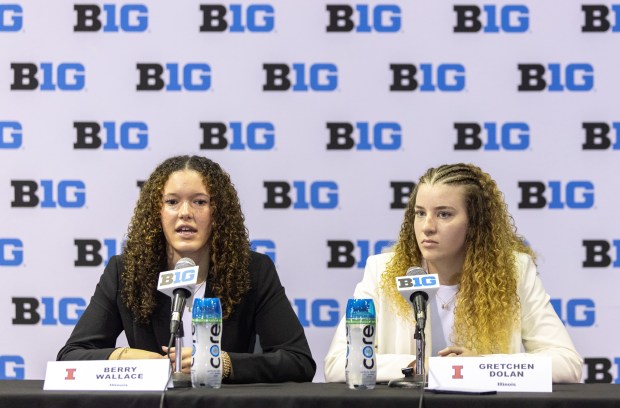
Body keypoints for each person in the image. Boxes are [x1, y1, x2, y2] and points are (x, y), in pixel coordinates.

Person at [57, 155, 316, 383]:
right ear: (156, 212)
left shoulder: (252, 271)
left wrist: (222, 362)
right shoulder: (125, 271)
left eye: (199, 202)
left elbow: (298, 361)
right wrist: (128, 358)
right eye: (172, 202)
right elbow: (71, 356)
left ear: (218, 213)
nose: (185, 213)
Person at [324, 163, 582, 384]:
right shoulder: (381, 271)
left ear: (475, 224)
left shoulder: (514, 272)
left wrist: (481, 365)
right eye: (420, 213)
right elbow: (338, 363)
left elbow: (567, 364)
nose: (427, 227)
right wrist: (421, 366)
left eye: (444, 214)